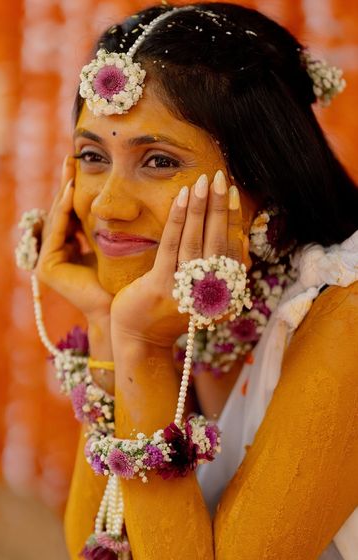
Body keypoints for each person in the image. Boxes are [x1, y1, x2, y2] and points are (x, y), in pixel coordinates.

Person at [29, 3, 358, 559]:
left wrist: (144, 349)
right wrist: (109, 327)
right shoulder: (186, 307)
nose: (108, 205)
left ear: (266, 176)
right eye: (91, 155)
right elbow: (99, 543)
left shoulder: (346, 315)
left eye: (158, 161)